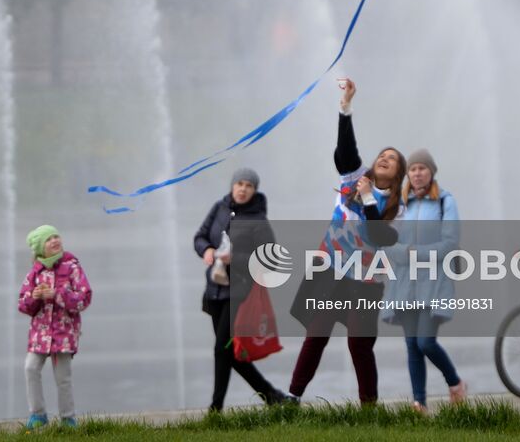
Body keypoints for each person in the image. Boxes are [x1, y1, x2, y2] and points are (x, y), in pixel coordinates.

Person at [288, 78, 404, 405]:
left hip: (366, 280)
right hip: (332, 268)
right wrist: (345, 108)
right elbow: (346, 150)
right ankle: (292, 396)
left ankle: (369, 406)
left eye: (392, 159)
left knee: (358, 342)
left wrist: (368, 200)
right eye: (383, 155)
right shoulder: (354, 178)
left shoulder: (397, 205)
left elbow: (380, 235)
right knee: (317, 331)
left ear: (398, 173)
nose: (384, 158)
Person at [193, 168, 291, 412]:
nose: (243, 189)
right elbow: (200, 236)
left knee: (220, 349)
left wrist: (236, 257)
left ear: (254, 190)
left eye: (249, 185)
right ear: (232, 186)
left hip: (240, 293)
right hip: (215, 289)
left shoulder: (258, 219)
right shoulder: (220, 208)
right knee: (231, 354)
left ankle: (215, 409)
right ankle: (272, 396)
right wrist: (205, 249)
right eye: (240, 183)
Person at [382, 150, 468, 412]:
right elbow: (386, 241)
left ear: (431, 172)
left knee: (425, 341)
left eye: (422, 168)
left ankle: (455, 383)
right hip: (405, 283)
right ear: (407, 173)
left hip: (434, 282)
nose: (417, 173)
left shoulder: (445, 201)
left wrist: (414, 254)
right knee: (411, 344)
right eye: (413, 169)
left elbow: (450, 242)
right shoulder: (399, 204)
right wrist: (401, 253)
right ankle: (419, 402)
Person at [19, 225, 92, 429]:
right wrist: (33, 298)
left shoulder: (72, 267)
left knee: (63, 378)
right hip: (40, 336)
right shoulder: (34, 272)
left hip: (64, 334)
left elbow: (84, 298)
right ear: (40, 248)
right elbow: (22, 304)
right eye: (48, 239)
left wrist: (57, 295)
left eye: (56, 236)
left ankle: (68, 418)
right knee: (30, 368)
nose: (54, 241)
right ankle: (38, 414)